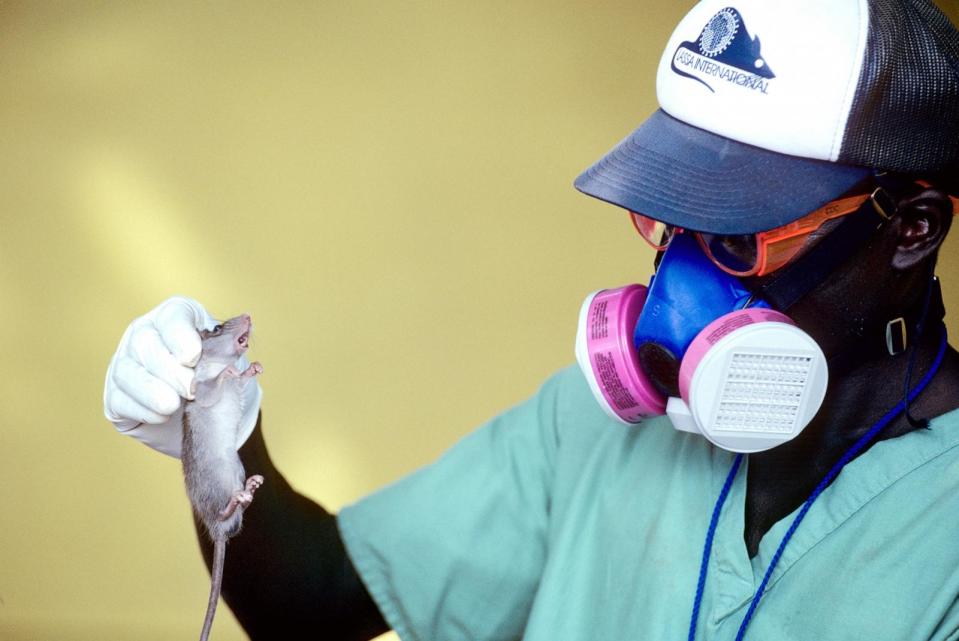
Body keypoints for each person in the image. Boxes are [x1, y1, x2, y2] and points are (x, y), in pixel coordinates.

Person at [104, 0, 959, 639]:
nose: (679, 280)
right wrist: (215, 439)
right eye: (668, 218)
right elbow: (314, 601)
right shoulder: (590, 427)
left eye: (736, 233)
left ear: (909, 229)